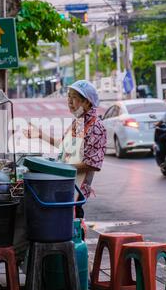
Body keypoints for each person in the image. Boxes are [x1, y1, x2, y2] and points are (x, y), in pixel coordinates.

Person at [24, 80, 107, 218]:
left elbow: (92, 164)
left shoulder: (96, 127)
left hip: (76, 192)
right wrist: (40, 135)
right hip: (64, 187)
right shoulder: (79, 121)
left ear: (87, 102)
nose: (69, 101)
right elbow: (64, 146)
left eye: (74, 97)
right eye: (68, 96)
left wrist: (58, 169)